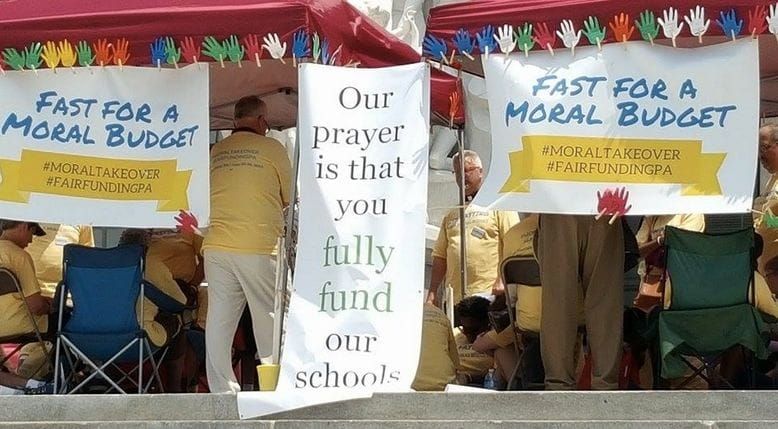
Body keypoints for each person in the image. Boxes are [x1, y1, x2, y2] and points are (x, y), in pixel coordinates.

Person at [202, 95, 292, 393]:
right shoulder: (272, 148)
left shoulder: (216, 151)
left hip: (216, 246)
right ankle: (275, 386)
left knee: (219, 320)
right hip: (259, 245)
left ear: (235, 120)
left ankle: (222, 390)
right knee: (270, 317)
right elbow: (290, 196)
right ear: (262, 121)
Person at [537, 211, 625, 390]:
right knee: (604, 300)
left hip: (562, 206)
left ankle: (559, 385)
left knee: (559, 301)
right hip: (599, 206)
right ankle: (604, 386)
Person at [427, 150, 517, 307]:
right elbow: (440, 256)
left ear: (480, 172)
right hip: (455, 298)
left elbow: (513, 244)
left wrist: (502, 279)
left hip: (488, 295)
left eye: (467, 170)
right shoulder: (451, 214)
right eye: (457, 172)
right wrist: (432, 292)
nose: (462, 177)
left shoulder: (498, 206)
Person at [118, 229, 188, 392]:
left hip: (90, 339)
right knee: (175, 322)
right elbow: (179, 302)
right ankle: (174, 388)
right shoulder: (151, 264)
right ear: (147, 247)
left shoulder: (101, 266)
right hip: (138, 338)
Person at [0, 220, 49, 340]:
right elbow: (36, 307)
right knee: (65, 322)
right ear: (24, 226)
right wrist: (51, 306)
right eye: (32, 233)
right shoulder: (20, 257)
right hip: (19, 327)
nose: (31, 241)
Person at [25, 224, 93, 298]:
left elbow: (86, 261)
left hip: (66, 296)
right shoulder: (27, 217)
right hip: (28, 293)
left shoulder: (82, 221)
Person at [412, 303, 459, 391]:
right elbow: (456, 364)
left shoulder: (394, 314)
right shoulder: (440, 314)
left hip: (408, 383)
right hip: (444, 384)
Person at [452, 296, 493, 386]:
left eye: (473, 330)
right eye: (465, 329)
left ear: (488, 323)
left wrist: (469, 378)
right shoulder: (453, 334)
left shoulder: (495, 339)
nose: (468, 334)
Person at [756, 124, 778, 274]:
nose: (761, 156)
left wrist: (770, 221)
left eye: (764, 148)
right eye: (758, 150)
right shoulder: (772, 180)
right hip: (765, 269)